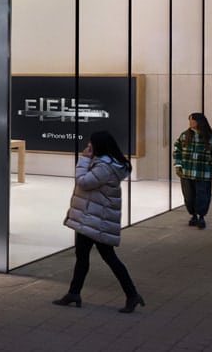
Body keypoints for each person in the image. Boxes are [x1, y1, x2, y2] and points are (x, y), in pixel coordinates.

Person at [54, 130, 144, 313]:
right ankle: (74, 293)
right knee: (86, 257)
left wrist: (84, 160)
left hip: (94, 220)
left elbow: (83, 182)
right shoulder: (110, 164)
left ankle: (132, 294)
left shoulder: (104, 166)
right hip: (93, 217)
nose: (88, 146)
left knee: (104, 258)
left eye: (91, 143)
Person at [173, 112, 212, 229]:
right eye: (190, 120)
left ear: (199, 122)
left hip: (203, 174)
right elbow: (177, 151)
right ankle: (193, 216)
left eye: (192, 120)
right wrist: (178, 165)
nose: (190, 122)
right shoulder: (184, 136)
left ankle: (201, 217)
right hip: (186, 173)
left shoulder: (211, 138)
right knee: (189, 196)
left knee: (202, 196)